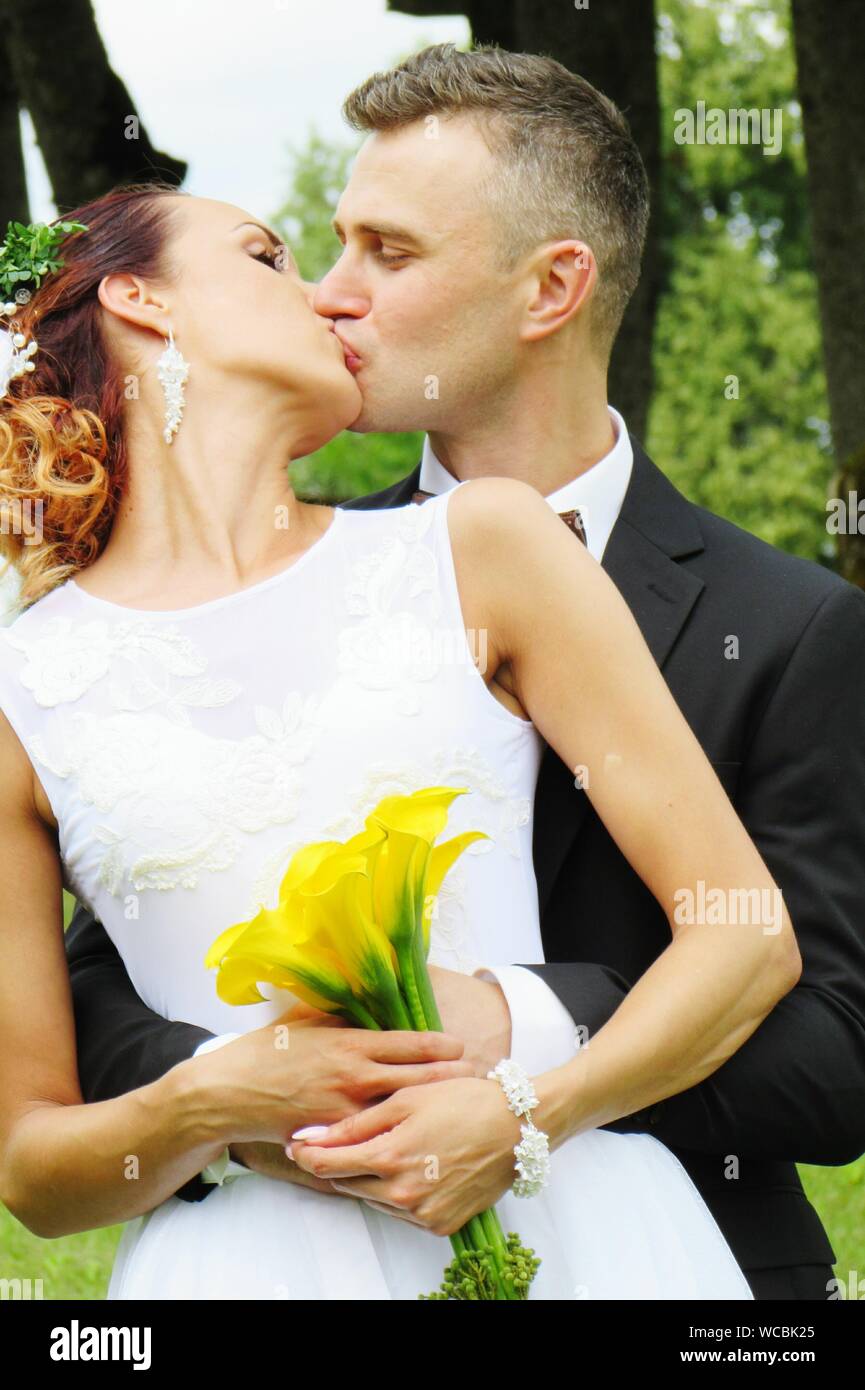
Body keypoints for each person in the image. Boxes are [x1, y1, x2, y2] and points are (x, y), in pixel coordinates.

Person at [33, 44, 865, 1298]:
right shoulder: (245, 593)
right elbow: (111, 968)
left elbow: (834, 1052)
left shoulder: (790, 623)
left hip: (650, 1249)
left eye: (390, 252)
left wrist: (519, 1033)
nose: (330, 292)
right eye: (320, 247)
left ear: (551, 288)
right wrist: (257, 1101)